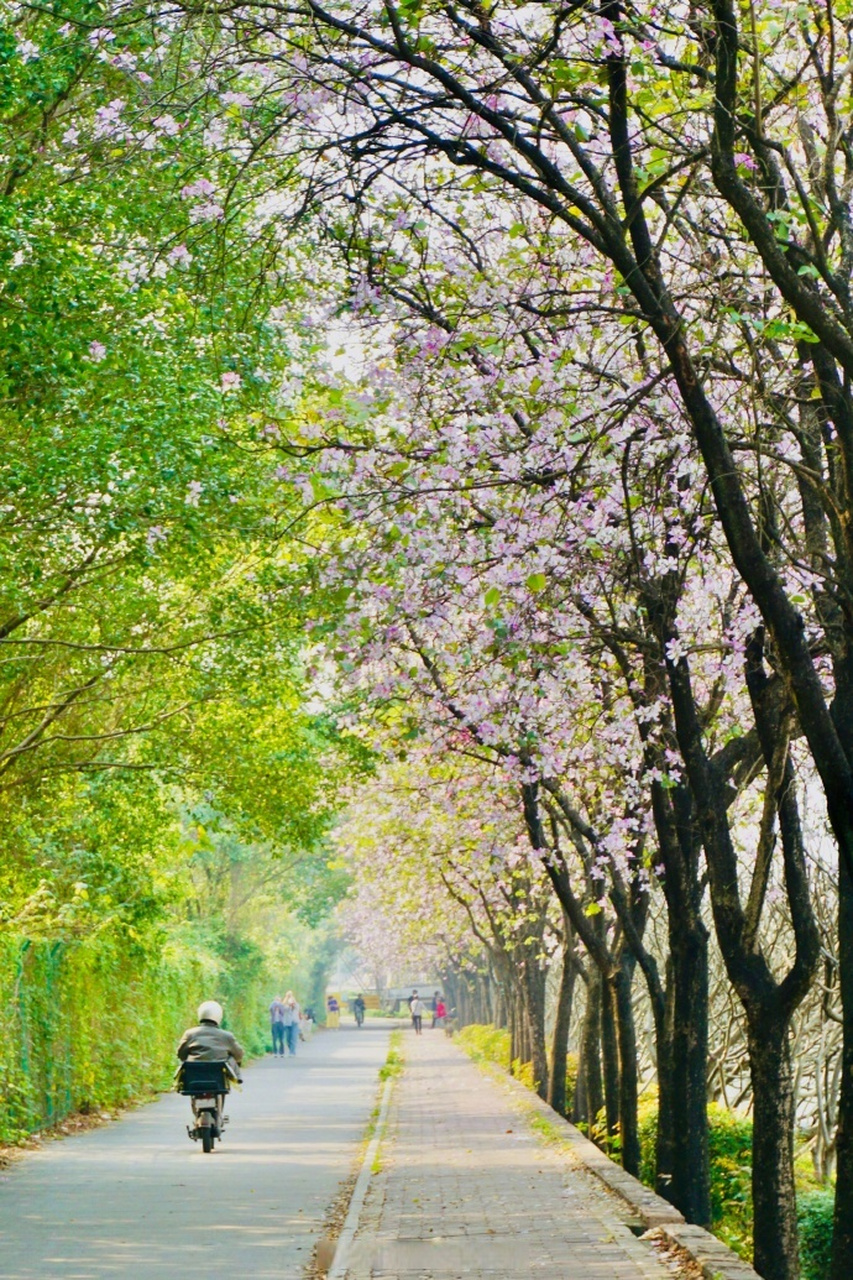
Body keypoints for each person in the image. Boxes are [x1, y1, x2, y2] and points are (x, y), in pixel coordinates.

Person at [177, 1000, 244, 1080]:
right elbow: (239, 1055)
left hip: (194, 1075)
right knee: (231, 1058)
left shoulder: (189, 1034)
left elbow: (181, 1055)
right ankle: (238, 1078)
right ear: (219, 1016)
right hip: (218, 1077)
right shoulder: (227, 1036)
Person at [281, 990, 300, 1056]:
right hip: (287, 1023)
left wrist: (292, 1001)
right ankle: (291, 1049)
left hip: (294, 1022)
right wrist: (287, 1000)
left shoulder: (296, 1006)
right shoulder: (285, 1007)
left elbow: (296, 1006)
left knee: (293, 1037)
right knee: (288, 1039)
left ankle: (292, 1052)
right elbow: (282, 1007)